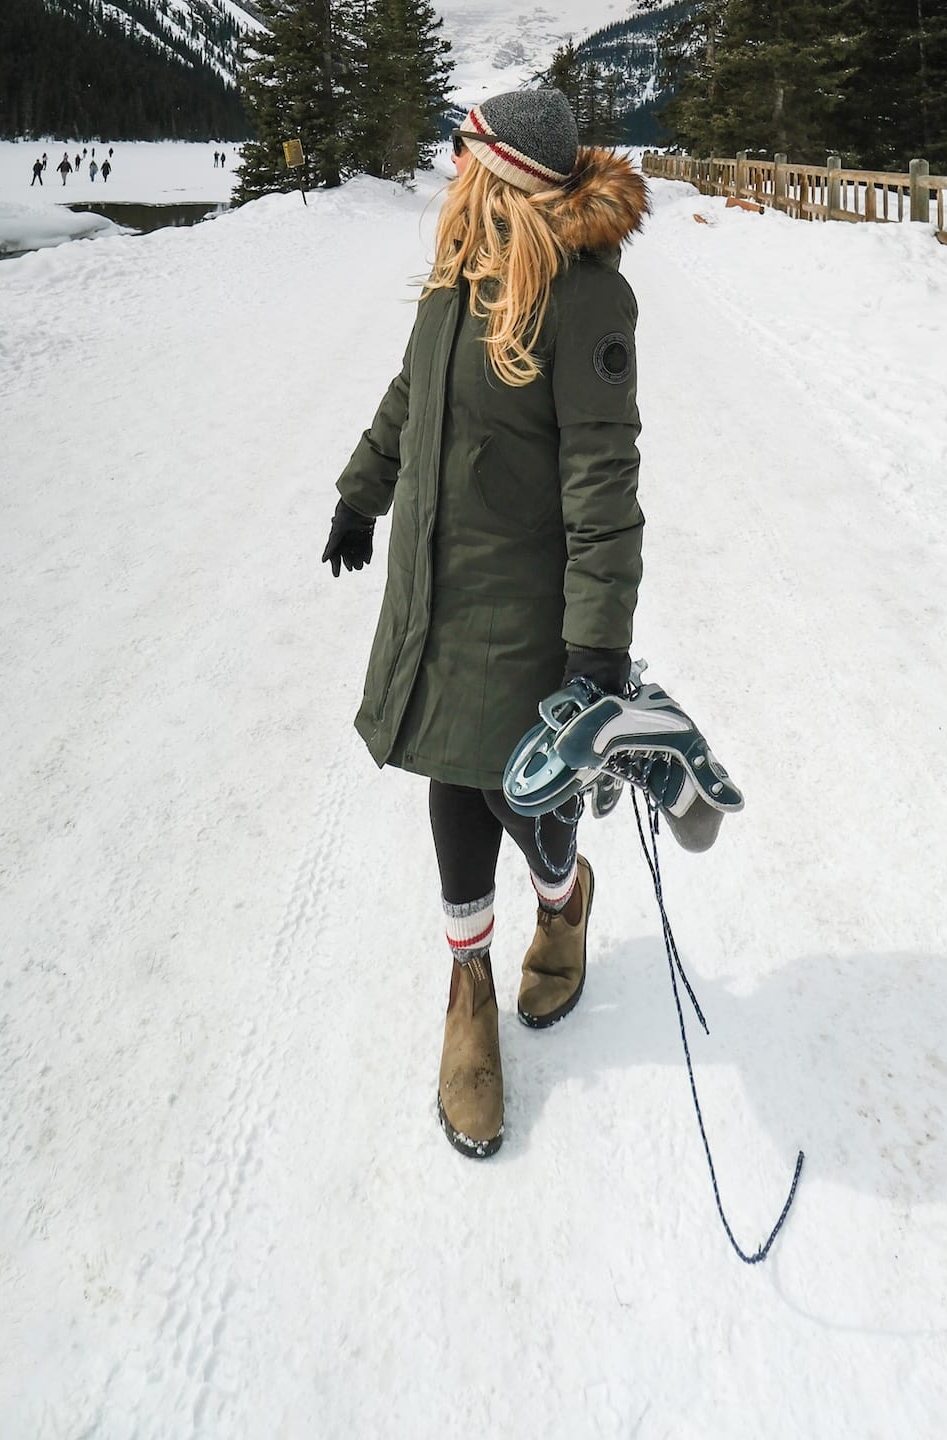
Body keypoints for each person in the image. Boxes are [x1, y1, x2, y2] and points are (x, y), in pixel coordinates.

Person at [324, 87, 647, 1160]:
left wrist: (598, 643)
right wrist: (361, 493)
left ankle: (562, 896)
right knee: (453, 774)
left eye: (465, 156)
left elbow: (603, 481)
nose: (452, 171)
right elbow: (410, 395)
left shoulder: (587, 300)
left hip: (524, 596)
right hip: (434, 579)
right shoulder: (458, 271)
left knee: (525, 786)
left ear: (499, 173)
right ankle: (468, 992)